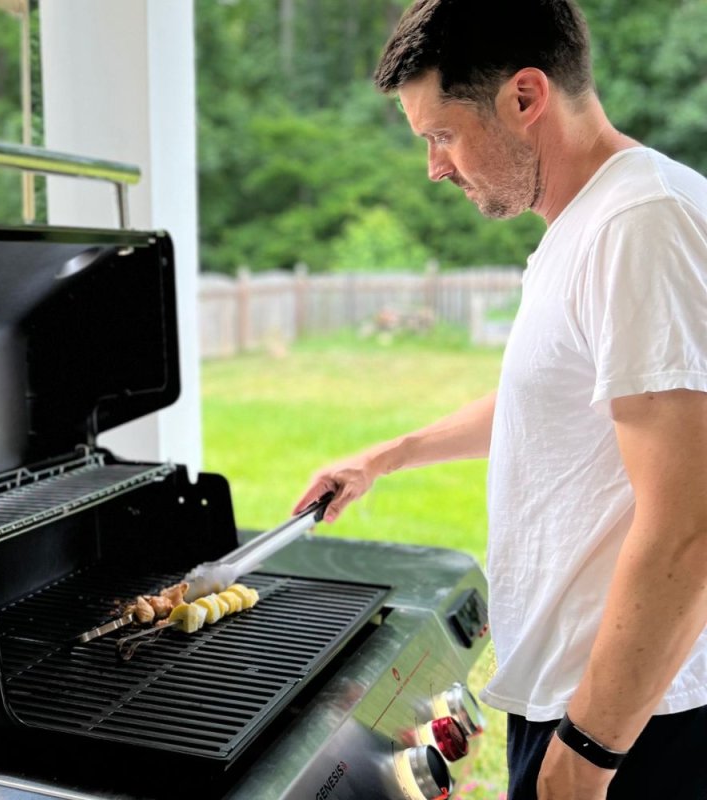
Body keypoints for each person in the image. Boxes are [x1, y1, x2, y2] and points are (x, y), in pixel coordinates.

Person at [292, 1, 707, 798]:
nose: (435, 167)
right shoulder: (587, 225)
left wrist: (587, 752)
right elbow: (553, 401)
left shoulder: (643, 223)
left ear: (524, 97)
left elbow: (688, 526)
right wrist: (386, 456)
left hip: (636, 727)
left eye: (441, 135)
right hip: (580, 702)